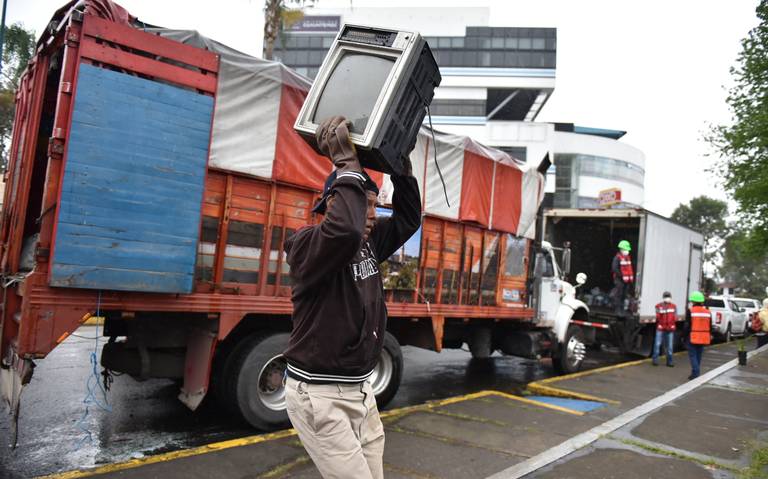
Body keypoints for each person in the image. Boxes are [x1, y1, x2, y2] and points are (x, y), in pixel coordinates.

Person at [282, 115, 421, 479]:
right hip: (320, 395)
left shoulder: (368, 242)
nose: (370, 216)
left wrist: (402, 174)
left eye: (374, 206)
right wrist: (345, 163)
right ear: (331, 203)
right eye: (362, 206)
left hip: (361, 390)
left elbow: (408, 220)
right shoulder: (308, 245)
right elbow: (344, 231)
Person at [683, 291, 711, 380]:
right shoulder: (707, 312)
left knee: (692, 355)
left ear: (693, 301)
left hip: (693, 336)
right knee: (699, 355)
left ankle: (696, 372)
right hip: (704, 336)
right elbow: (710, 325)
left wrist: (684, 336)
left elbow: (687, 325)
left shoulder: (690, 311)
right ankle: (695, 372)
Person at [652, 291, 677, 367]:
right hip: (661, 327)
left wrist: (672, 325)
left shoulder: (674, 306)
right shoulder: (658, 306)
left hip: (669, 328)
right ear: (663, 298)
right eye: (666, 296)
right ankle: (655, 360)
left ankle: (670, 362)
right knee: (657, 344)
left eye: (668, 296)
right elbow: (658, 317)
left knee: (670, 346)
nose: (667, 298)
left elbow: (674, 317)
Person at [610, 240, 634, 316]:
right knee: (619, 295)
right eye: (626, 250)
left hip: (626, 281)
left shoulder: (627, 258)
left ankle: (622, 310)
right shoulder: (617, 258)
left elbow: (629, 269)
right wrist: (621, 276)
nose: (627, 251)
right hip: (619, 280)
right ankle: (618, 311)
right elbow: (614, 268)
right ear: (621, 249)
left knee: (624, 295)